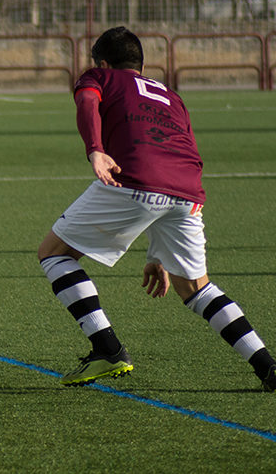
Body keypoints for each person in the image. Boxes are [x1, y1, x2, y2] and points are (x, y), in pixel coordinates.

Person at [37, 26, 276, 389]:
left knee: (54, 253)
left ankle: (107, 349)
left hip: (133, 179)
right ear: (141, 64)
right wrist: (160, 252)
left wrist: (95, 149)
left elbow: (87, 102)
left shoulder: (99, 76)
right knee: (197, 288)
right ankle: (267, 366)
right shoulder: (172, 96)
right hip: (187, 191)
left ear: (103, 62)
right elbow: (185, 149)